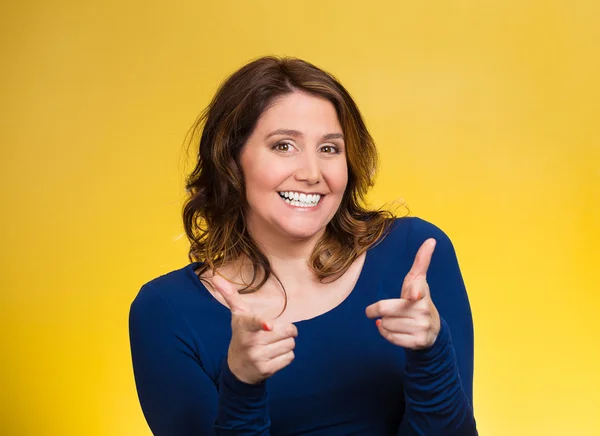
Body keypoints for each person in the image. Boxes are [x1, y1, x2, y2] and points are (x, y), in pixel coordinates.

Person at [129, 56, 477, 435]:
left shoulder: (415, 256)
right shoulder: (165, 311)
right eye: (283, 146)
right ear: (231, 160)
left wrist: (432, 352)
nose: (312, 173)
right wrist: (242, 385)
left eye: (329, 149)